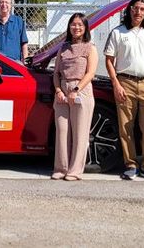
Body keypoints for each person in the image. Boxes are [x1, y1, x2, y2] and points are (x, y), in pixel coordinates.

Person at [103, 0, 144, 182]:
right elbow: (109, 60)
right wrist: (116, 83)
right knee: (125, 126)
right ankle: (130, 164)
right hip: (125, 83)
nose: (138, 12)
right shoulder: (118, 32)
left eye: (142, 9)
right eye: (135, 8)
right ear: (129, 10)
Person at [50, 12, 98, 181]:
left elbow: (91, 72)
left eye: (80, 25)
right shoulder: (63, 48)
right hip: (62, 91)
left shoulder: (90, 48)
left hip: (81, 91)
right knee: (62, 131)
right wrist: (59, 91)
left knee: (80, 133)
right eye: (73, 24)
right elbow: (56, 73)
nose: (76, 27)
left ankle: (75, 170)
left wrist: (76, 89)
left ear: (85, 28)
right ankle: (61, 168)